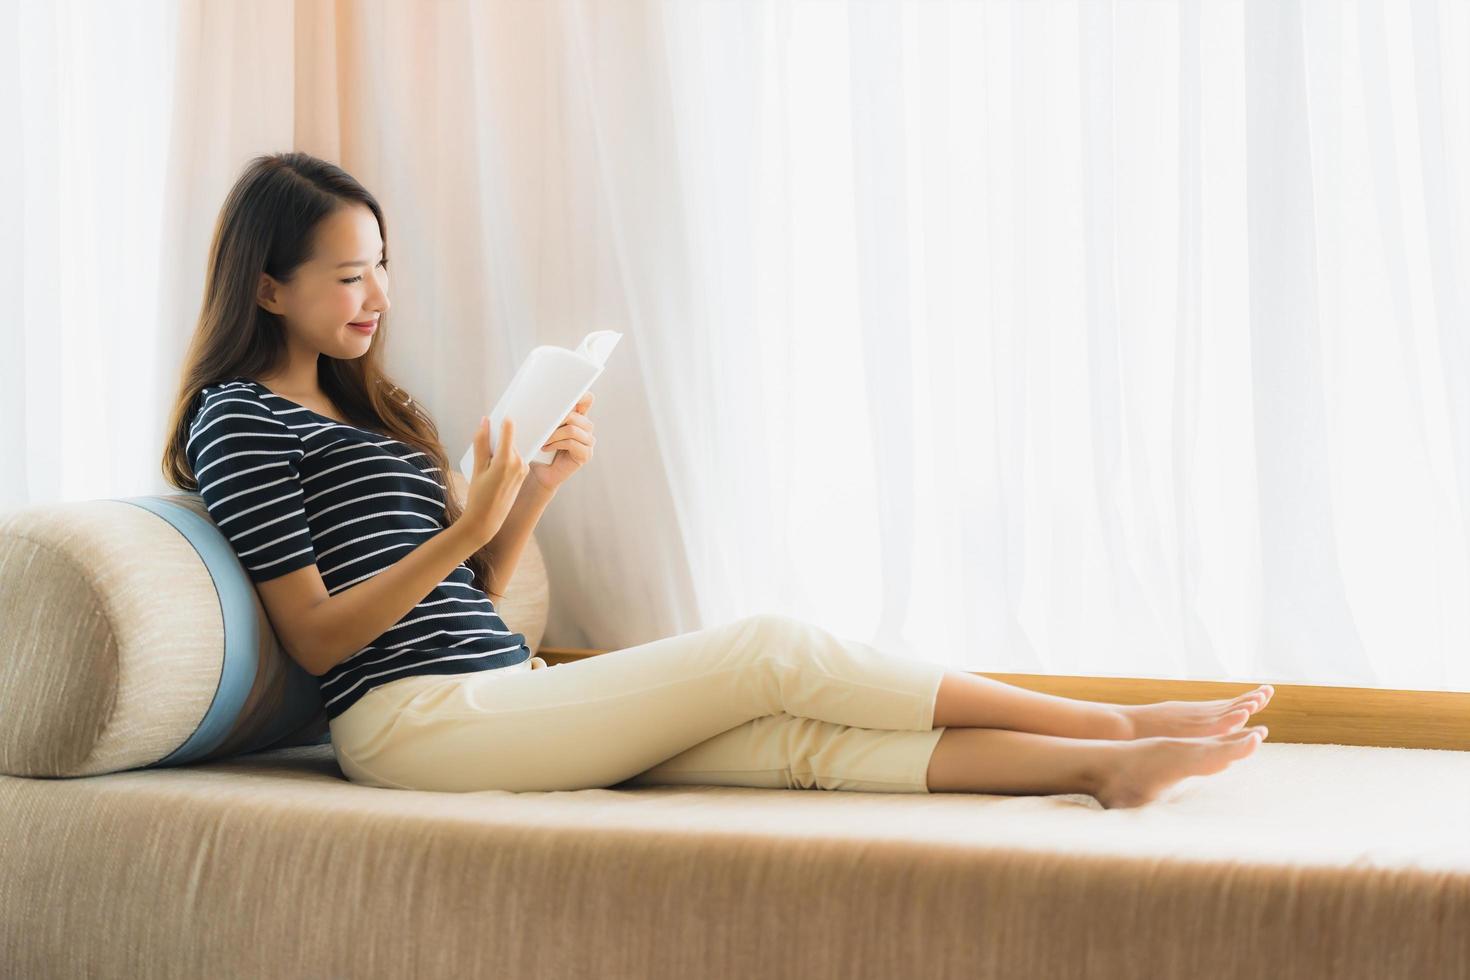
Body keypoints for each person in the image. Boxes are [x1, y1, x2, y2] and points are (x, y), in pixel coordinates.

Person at [163, 151, 1272, 809]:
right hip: (411, 726)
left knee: (803, 744)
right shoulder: (241, 422)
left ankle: (1094, 773)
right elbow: (315, 640)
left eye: (384, 267)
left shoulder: (371, 411)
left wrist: (532, 495)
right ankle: (1118, 724)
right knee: (770, 649)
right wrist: (473, 519)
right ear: (267, 288)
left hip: (500, 683)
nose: (378, 297)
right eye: (350, 275)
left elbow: (471, 607)